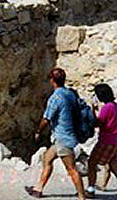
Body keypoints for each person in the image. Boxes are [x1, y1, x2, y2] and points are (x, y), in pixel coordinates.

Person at [26, 68, 86, 199]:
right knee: (47, 159)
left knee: (72, 170)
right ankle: (38, 189)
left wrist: (38, 131)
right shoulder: (70, 94)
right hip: (63, 137)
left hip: (63, 139)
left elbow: (46, 118)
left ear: (52, 80)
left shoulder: (55, 97)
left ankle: (82, 196)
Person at [86, 84, 117, 197]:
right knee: (113, 164)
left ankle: (90, 189)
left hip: (106, 140)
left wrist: (93, 110)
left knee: (92, 163)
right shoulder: (115, 106)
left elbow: (97, 123)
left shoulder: (106, 108)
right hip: (115, 141)